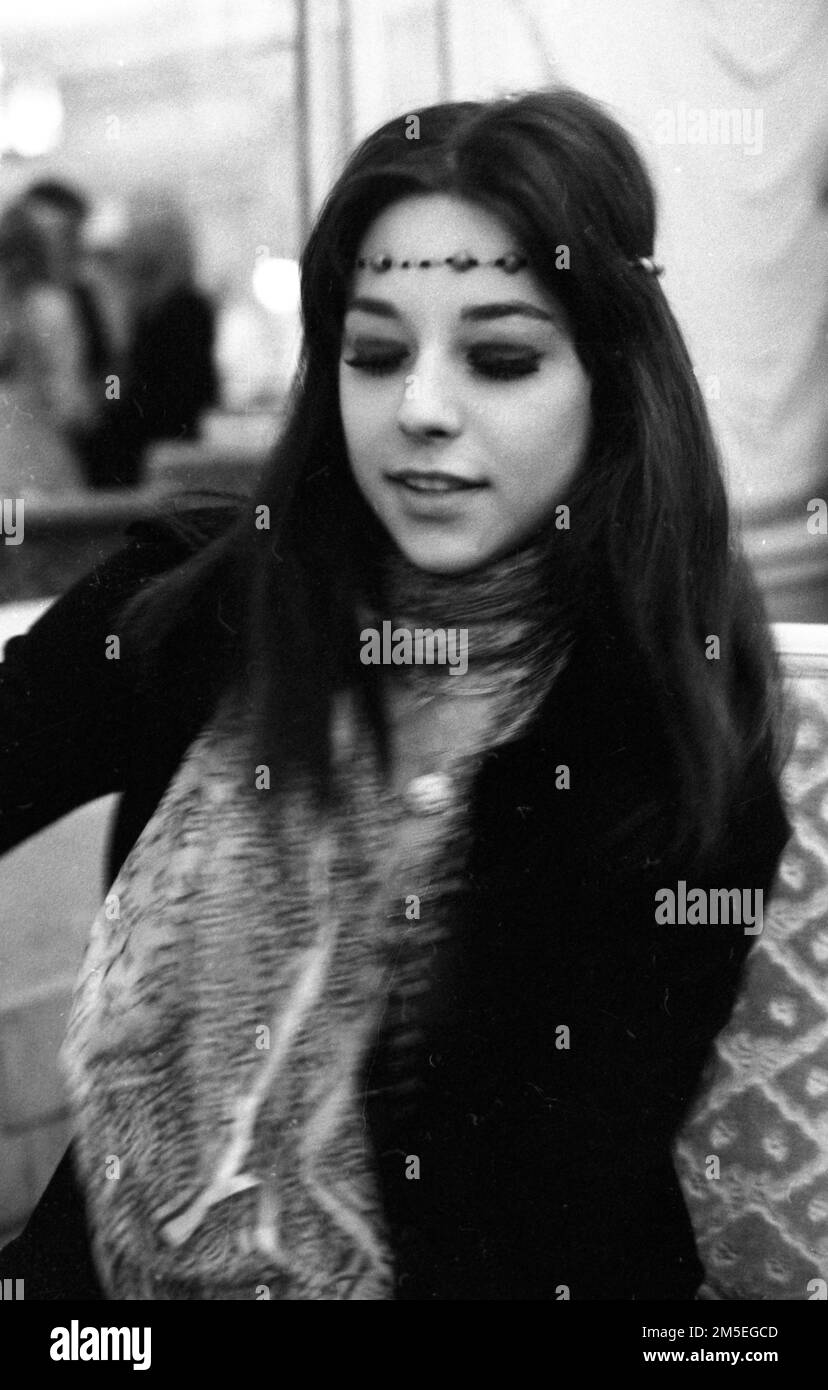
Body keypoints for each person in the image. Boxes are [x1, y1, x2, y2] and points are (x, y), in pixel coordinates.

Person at [0, 88, 790, 1300]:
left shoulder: (660, 737)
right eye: (375, 352)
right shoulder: (208, 602)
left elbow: (544, 1220)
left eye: (500, 357)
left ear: (612, 380)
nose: (419, 407)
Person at [81, 193, 219, 488]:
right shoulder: (145, 309)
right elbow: (121, 378)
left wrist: (109, 402)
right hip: (147, 441)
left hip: (161, 444)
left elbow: (164, 385)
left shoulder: (183, 308)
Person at [0, 203, 90, 497]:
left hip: (20, 452)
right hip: (39, 451)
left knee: (14, 530)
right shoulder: (52, 307)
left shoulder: (46, 307)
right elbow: (69, 401)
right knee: (33, 535)